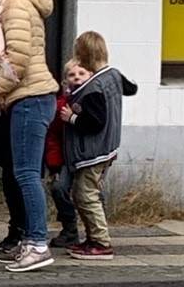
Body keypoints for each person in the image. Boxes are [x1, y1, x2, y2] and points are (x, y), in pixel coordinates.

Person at [0, 0, 60, 273]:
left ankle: (37, 243)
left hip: (29, 98)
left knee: (25, 174)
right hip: (31, 98)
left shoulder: (14, 6)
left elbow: (18, 59)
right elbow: (2, 53)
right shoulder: (15, 6)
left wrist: (0, 91)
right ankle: (30, 240)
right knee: (24, 173)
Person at [61, 32, 137, 261]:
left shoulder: (93, 87)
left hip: (92, 151)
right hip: (107, 147)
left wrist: (71, 118)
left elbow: (94, 123)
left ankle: (101, 241)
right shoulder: (113, 75)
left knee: (86, 195)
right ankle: (93, 238)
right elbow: (131, 89)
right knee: (84, 193)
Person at [47, 60, 89, 249]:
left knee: (90, 194)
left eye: (81, 73)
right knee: (58, 188)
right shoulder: (60, 106)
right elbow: (53, 136)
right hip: (65, 158)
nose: (77, 78)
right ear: (65, 81)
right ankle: (69, 228)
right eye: (72, 75)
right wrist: (54, 163)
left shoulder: (92, 99)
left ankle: (94, 233)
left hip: (87, 155)